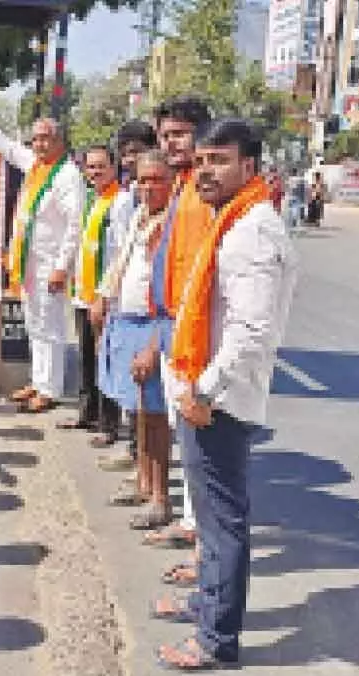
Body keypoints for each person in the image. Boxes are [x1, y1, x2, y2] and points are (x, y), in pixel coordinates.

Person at [152, 118, 297, 671]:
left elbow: (251, 331)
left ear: (249, 168)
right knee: (213, 519)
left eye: (220, 160)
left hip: (221, 400)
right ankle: (205, 605)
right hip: (211, 390)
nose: (206, 169)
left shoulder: (253, 229)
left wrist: (203, 393)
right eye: (203, 159)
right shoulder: (234, 220)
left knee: (221, 522)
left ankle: (216, 640)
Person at [0, 114, 85, 413]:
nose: (39, 144)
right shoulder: (36, 166)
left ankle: (50, 389)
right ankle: (38, 381)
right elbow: (8, 147)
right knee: (34, 324)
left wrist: (61, 267)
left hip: (49, 264)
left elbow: (74, 226)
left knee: (51, 327)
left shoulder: (67, 176)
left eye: (46, 138)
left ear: (60, 141)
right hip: (27, 262)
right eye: (36, 138)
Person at [141, 95, 213, 554]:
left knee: (197, 435)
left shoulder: (204, 191)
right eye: (165, 135)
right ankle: (191, 520)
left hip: (195, 329)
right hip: (171, 324)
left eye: (179, 133)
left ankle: (201, 530)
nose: (170, 142)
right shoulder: (183, 186)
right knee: (181, 430)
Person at [92, 149, 176, 530]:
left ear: (172, 181)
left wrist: (156, 343)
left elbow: (176, 292)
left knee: (157, 417)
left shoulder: (174, 222)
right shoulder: (140, 216)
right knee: (139, 412)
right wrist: (103, 298)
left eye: (157, 179)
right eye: (143, 179)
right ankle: (144, 485)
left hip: (153, 326)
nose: (148, 187)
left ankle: (161, 499)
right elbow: (121, 262)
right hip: (126, 321)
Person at [95, 120, 157, 460]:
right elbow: (121, 252)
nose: (129, 160)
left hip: (150, 310)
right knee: (124, 377)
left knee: (145, 388)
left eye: (136, 152)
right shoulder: (127, 199)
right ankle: (134, 449)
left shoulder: (159, 197)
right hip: (123, 300)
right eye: (125, 154)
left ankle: (139, 453)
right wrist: (105, 294)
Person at [60, 144, 120, 432]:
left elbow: (118, 253)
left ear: (113, 167)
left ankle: (109, 424)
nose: (95, 172)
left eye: (101, 166)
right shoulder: (91, 201)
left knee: (105, 360)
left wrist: (106, 294)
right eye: (90, 167)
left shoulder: (119, 202)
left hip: (104, 298)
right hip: (83, 295)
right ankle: (87, 414)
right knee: (86, 359)